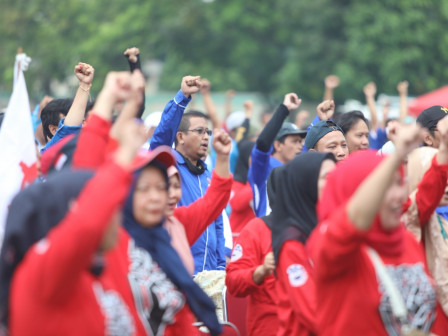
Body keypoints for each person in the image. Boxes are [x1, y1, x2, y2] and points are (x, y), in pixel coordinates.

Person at [72, 71, 222, 336]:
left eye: (163, 187)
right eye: (144, 189)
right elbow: (90, 169)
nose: (160, 196)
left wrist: (222, 161)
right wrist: (111, 99)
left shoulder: (173, 226)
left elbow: (215, 206)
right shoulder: (109, 242)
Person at [0, 117, 145, 335]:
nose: (117, 217)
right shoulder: (44, 271)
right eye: (110, 209)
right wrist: (125, 155)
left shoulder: (90, 269)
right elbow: (87, 219)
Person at [308, 124, 447, 335]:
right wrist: (397, 154)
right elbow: (354, 219)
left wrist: (445, 146)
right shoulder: (333, 246)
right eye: (385, 187)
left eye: (400, 183)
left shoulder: (405, 240)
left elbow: (425, 194)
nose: (399, 196)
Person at [150, 76, 228, 274]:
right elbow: (161, 137)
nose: (205, 137)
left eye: (208, 132)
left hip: (210, 274)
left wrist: (220, 265)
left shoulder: (207, 174)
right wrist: (182, 98)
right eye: (200, 131)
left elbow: (217, 221)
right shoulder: (168, 166)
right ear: (181, 136)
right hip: (179, 271)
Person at [271, 152, 336, 336]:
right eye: (327, 177)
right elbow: (312, 312)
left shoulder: (324, 228)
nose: (335, 182)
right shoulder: (292, 243)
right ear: (305, 184)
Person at [225, 165, 281, 336]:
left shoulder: (319, 228)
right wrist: (260, 271)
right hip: (269, 328)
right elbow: (233, 281)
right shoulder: (258, 229)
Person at [405, 116, 448, 318]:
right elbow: (424, 198)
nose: (444, 185)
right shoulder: (410, 216)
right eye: (440, 178)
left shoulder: (438, 219)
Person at [247, 93, 302, 217]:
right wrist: (284, 109)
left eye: (300, 142)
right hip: (268, 232)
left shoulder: (296, 167)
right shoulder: (264, 167)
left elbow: (314, 145)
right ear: (278, 145)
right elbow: (262, 144)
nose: (300, 146)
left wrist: (321, 119)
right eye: (294, 141)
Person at [40, 62, 94, 153]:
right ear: (54, 129)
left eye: (82, 121)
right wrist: (84, 85)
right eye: (68, 119)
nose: (80, 126)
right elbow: (69, 129)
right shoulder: (46, 157)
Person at [229, 139, 256, 236]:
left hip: (255, 238)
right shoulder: (236, 182)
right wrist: (255, 182)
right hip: (237, 238)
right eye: (253, 155)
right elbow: (236, 204)